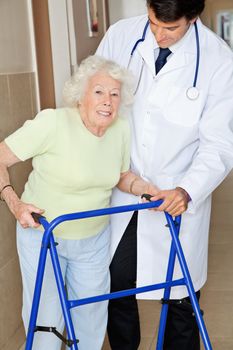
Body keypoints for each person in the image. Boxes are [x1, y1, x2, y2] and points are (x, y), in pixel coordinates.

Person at [96, 0, 233, 349]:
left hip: (178, 191)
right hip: (122, 188)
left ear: (193, 17)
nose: (158, 35)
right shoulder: (121, 36)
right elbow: (94, 99)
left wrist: (187, 190)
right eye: (154, 23)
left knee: (181, 299)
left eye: (170, 29)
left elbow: (219, 143)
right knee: (116, 286)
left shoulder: (218, 59)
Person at [0, 55, 158, 350]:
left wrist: (146, 188)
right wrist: (15, 203)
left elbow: (121, 176)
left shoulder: (120, 128)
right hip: (44, 236)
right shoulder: (53, 122)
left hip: (93, 240)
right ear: (80, 95)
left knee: (91, 321)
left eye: (114, 94)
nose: (108, 101)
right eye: (98, 91)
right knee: (46, 325)